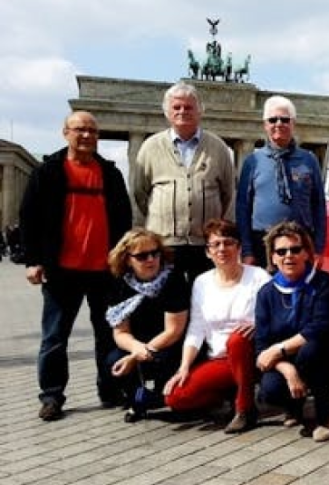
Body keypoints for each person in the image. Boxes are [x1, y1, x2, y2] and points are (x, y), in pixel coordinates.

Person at [19, 111, 132, 421]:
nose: (86, 136)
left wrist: (123, 260)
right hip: (61, 270)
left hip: (103, 271)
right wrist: (33, 260)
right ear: (65, 132)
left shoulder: (110, 174)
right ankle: (52, 396)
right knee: (54, 337)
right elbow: (29, 217)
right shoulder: (48, 172)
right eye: (80, 130)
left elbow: (123, 219)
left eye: (92, 131)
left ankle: (110, 389)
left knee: (107, 334)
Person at [163, 219, 271, 434]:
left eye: (228, 243)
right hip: (220, 360)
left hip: (252, 354)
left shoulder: (258, 276)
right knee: (175, 397)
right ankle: (232, 391)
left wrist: (259, 326)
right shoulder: (201, 282)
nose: (222, 249)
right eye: (216, 244)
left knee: (237, 339)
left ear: (239, 247)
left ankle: (245, 409)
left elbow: (274, 315)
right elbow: (196, 328)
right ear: (207, 252)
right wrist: (184, 367)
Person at [130, 81, 236, 285]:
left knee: (204, 302)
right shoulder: (150, 147)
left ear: (200, 111)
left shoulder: (218, 147)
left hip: (206, 244)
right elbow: (139, 193)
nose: (182, 111)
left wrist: (222, 235)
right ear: (167, 112)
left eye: (188, 107)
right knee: (167, 302)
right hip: (163, 243)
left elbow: (228, 194)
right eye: (176, 107)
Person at [255, 221, 329, 442]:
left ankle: (326, 415)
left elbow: (320, 327)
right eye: (281, 251)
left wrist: (279, 349)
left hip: (327, 355)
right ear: (273, 258)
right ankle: (294, 405)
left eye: (295, 249)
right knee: (269, 391)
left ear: (307, 253)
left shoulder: (324, 282)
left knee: (311, 349)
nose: (289, 256)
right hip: (288, 359)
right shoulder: (266, 294)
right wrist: (288, 371)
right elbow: (261, 346)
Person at [104, 228, 188, 422]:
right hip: (139, 343)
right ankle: (136, 400)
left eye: (155, 253)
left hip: (170, 343)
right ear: (127, 259)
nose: (151, 259)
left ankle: (160, 397)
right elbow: (120, 332)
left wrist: (137, 356)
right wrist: (137, 349)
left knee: (157, 360)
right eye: (142, 256)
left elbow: (174, 331)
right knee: (113, 360)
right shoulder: (119, 284)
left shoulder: (172, 279)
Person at [236, 95, 327, 268]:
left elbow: (319, 206)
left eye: (284, 120)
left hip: (300, 243)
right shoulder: (252, 162)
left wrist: (319, 249)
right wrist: (247, 250)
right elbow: (242, 208)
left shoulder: (309, 160)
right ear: (265, 125)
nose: (279, 124)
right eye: (273, 120)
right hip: (261, 244)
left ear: (293, 123)